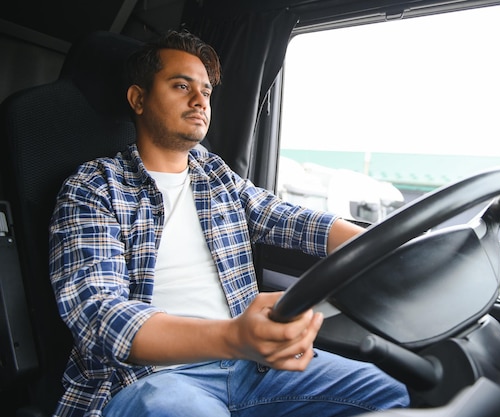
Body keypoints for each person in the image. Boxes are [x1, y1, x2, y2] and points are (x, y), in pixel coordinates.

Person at [48, 30, 410, 417]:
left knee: (389, 394)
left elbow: (286, 218)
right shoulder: (93, 186)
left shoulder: (213, 173)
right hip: (149, 379)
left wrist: (388, 246)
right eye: (181, 86)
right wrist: (233, 337)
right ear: (138, 98)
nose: (199, 100)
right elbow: (100, 316)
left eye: (205, 91)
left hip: (249, 367)